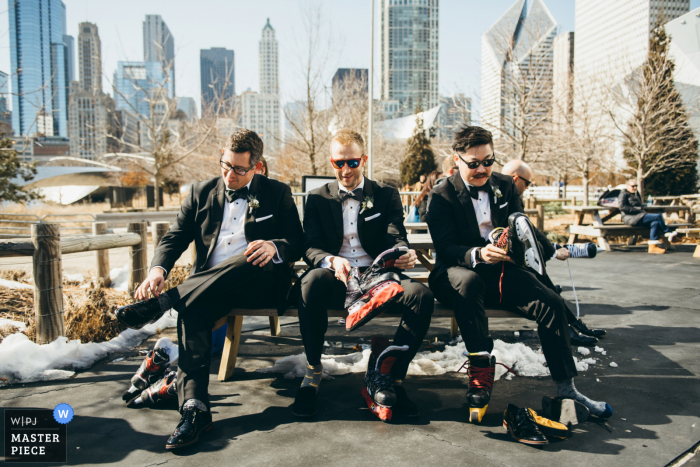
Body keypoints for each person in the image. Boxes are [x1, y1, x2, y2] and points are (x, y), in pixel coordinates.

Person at [116, 129, 303, 450]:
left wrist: (274, 246)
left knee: (248, 256)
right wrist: (158, 269)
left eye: (239, 170)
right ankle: (195, 408)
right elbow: (175, 236)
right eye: (225, 165)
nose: (230, 175)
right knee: (193, 310)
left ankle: (164, 303)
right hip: (207, 290)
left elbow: (297, 242)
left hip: (259, 285)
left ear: (257, 167)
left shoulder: (277, 192)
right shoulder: (201, 193)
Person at [427, 125, 612, 424]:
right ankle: (480, 370)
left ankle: (567, 389)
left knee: (551, 303)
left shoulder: (505, 185)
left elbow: (521, 228)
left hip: (501, 270)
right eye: (473, 164)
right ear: (456, 159)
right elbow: (446, 248)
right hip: (456, 272)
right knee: (470, 281)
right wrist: (478, 253)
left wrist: (515, 247)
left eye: (488, 161)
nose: (482, 169)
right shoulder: (441, 196)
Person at [292, 128, 434, 419]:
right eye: (338, 163)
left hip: (378, 278)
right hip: (337, 279)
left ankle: (390, 373)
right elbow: (310, 248)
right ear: (331, 162)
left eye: (352, 163)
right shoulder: (317, 199)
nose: (345, 170)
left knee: (421, 295)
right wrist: (331, 261)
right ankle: (312, 370)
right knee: (309, 283)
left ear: (364, 159)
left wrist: (401, 253)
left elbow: (396, 234)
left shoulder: (386, 195)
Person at [502, 159, 606, 346]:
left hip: (511, 257)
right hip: (502, 263)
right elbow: (527, 228)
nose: (527, 187)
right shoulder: (508, 193)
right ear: (515, 178)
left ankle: (572, 326)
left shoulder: (503, 191)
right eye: (527, 183)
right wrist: (552, 252)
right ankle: (571, 327)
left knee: (544, 280)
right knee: (543, 282)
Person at [619, 179, 677, 254]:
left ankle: (653, 247)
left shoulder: (636, 194)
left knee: (655, 223)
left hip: (638, 216)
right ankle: (667, 231)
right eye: (633, 186)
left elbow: (638, 205)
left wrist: (642, 207)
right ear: (627, 186)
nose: (635, 188)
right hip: (631, 218)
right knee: (658, 216)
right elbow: (621, 206)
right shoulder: (623, 193)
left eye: (636, 186)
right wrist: (636, 210)